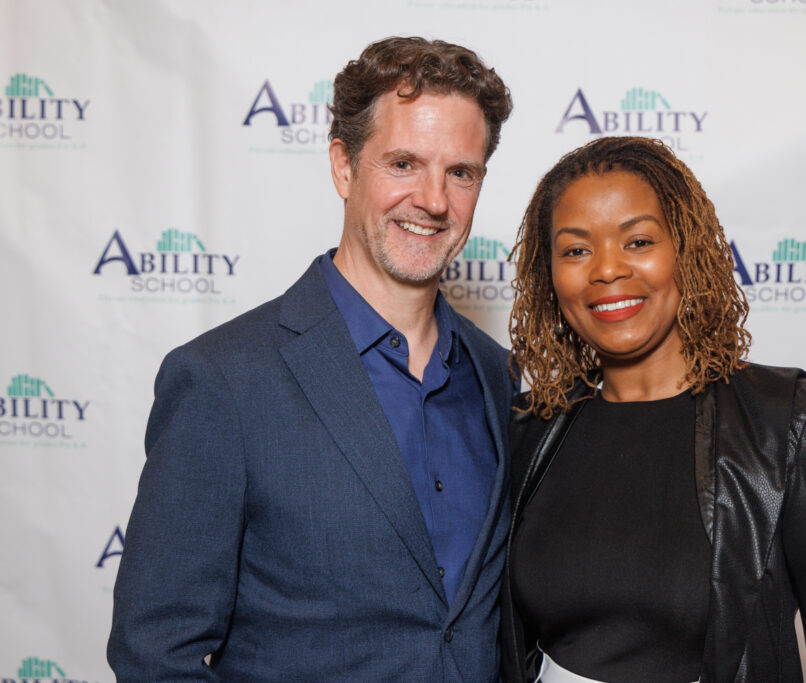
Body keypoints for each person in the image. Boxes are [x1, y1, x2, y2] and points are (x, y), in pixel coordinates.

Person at [108, 37, 516, 681]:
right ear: (343, 167)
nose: (434, 200)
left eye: (460, 172)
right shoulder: (224, 380)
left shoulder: (499, 377)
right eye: (403, 164)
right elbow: (156, 652)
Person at [500, 136, 806, 682]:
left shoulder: (789, 425)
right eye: (576, 250)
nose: (606, 270)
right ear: (550, 274)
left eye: (638, 241)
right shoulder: (528, 428)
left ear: (687, 249)